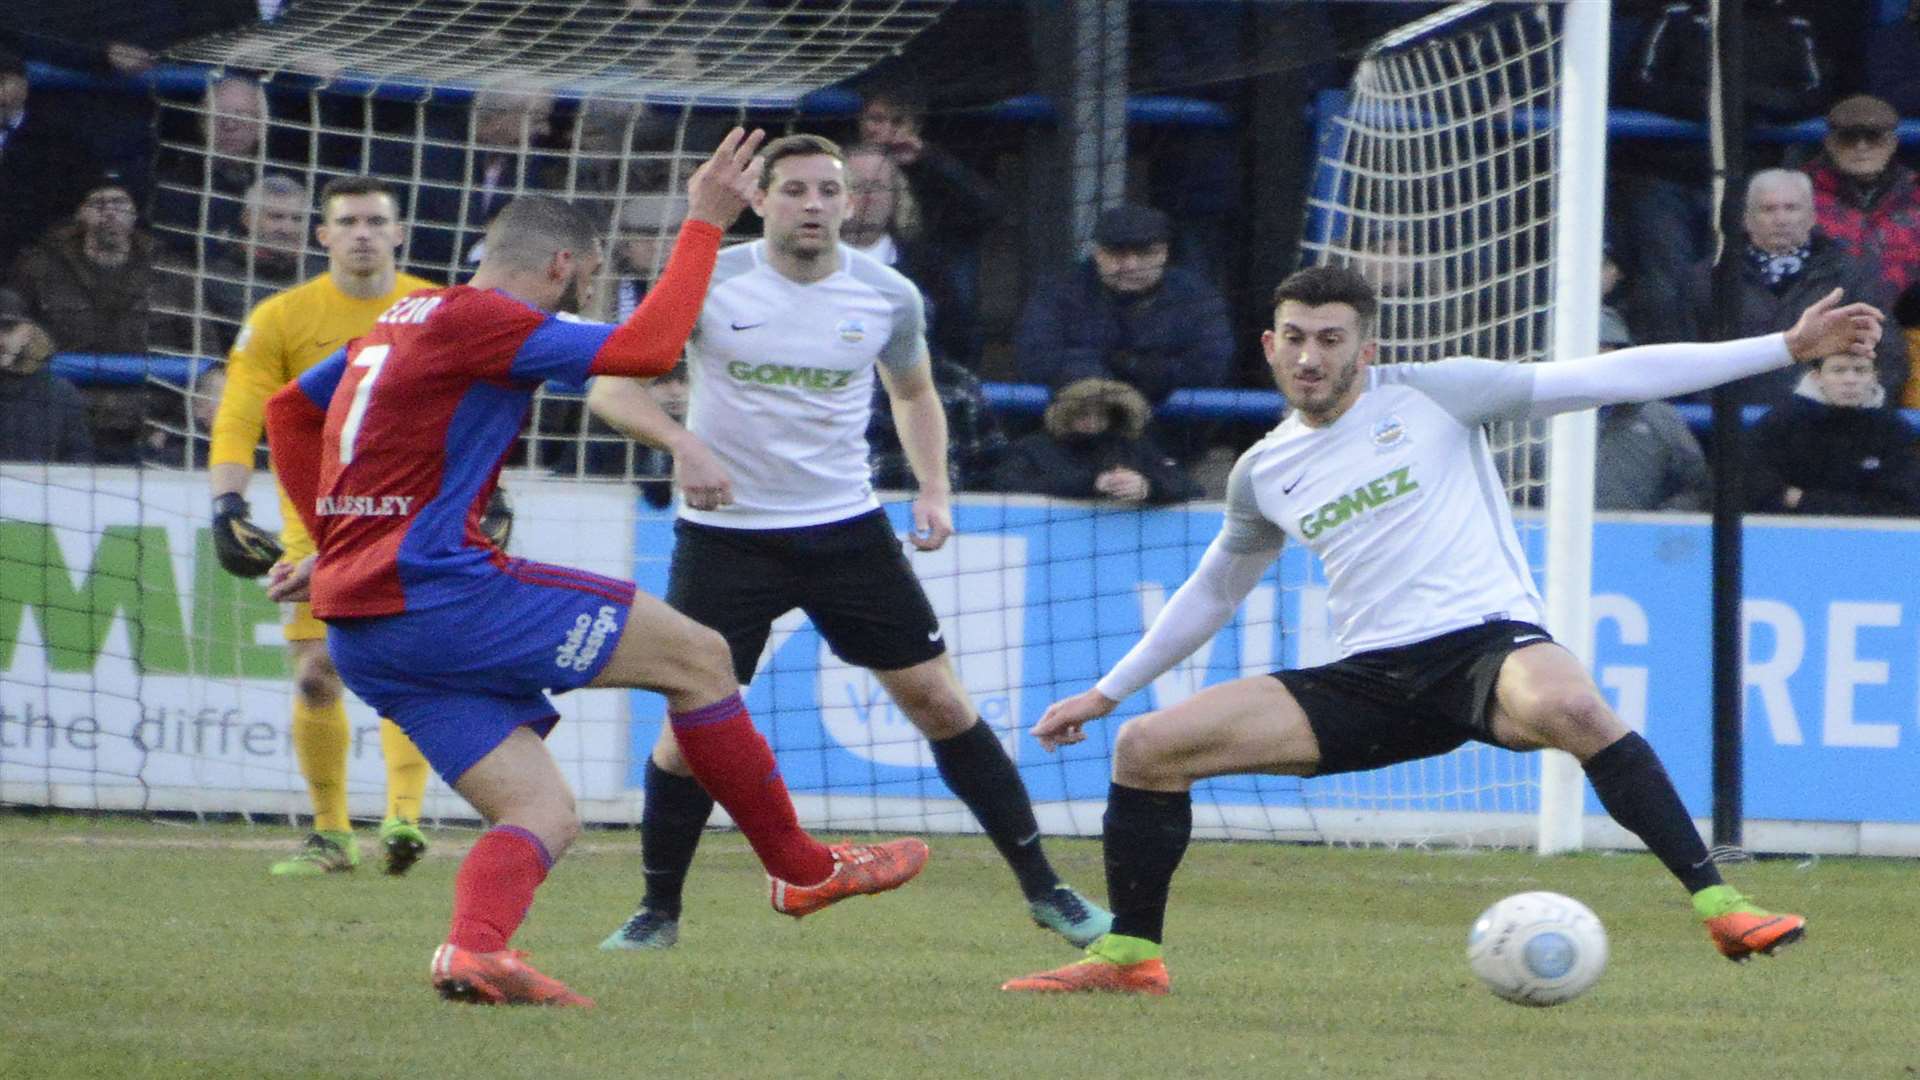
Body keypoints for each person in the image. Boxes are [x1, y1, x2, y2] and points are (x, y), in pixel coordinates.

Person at [999, 265, 1863, 996]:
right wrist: (1109, 692)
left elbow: (1610, 377)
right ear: (1269, 345)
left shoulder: (1434, 393)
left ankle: (1721, 907)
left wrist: (1781, 349)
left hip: (1488, 646)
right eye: (1294, 336)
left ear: (1364, 348)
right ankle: (1132, 955)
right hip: (1373, 678)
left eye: (1331, 338)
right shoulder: (1264, 470)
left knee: (1570, 704)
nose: (1310, 355)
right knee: (1147, 747)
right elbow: (1214, 588)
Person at [262, 130, 928, 1007]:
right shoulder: (493, 320)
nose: (576, 296)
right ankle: (801, 869)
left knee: (542, 814)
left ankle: (473, 951)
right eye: (580, 282)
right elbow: (650, 351)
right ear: (564, 266)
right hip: (444, 598)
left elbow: (286, 412)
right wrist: (701, 224)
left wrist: (328, 543)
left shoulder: (400, 319)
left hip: (365, 632)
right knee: (699, 658)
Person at [585, 133, 1109, 953]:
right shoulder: (710, 278)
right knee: (688, 736)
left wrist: (934, 485)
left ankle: (1049, 889)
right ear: (760, 201)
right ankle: (658, 911)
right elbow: (613, 388)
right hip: (728, 540)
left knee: (941, 703)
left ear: (851, 201)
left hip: (845, 533)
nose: (816, 205)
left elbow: (915, 391)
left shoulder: (887, 295)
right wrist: (685, 446)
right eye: (794, 190)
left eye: (830, 190)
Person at [207, 175, 444, 877]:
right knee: (316, 675)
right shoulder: (283, 317)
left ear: (399, 233)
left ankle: (404, 818)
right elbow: (241, 412)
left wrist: (489, 495)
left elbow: (474, 402)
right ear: (324, 236)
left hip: (414, 512)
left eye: (376, 221)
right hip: (316, 519)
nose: (363, 233)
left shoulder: (434, 307)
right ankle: (331, 835)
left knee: (406, 665)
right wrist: (227, 503)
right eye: (348, 221)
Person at [1682, 169, 1905, 405]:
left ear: (1811, 216)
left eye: (1791, 208)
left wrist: (1856, 408)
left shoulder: (1851, 275)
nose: (1781, 219)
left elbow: (1888, 354)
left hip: (1824, 424)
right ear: (1746, 219)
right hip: (1730, 424)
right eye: (1768, 209)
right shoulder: (1707, 278)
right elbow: (1684, 355)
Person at [9, 169, 187, 463]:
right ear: (79, 213)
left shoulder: (172, 273)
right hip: (59, 418)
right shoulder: (37, 268)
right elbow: (13, 338)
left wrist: (174, 427)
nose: (109, 213)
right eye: (98, 203)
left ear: (135, 214)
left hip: (151, 427)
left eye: (119, 204)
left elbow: (205, 357)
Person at [1015, 204, 1235, 408]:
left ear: (1164, 253)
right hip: (1075, 434)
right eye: (1117, 253)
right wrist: (1128, 377)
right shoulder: (1058, 292)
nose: (1131, 265)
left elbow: (1209, 368)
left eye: (1144, 253)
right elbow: (1037, 361)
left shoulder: (1196, 296)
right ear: (1098, 253)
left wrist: (1126, 365)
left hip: (1170, 437)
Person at [857, 85, 1002, 367]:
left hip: (923, 265)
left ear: (916, 126)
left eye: (897, 121)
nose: (885, 131)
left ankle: (957, 374)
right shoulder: (840, 161)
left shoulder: (931, 163)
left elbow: (988, 210)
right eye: (876, 119)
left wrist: (929, 161)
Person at [1746, 351, 1920, 517]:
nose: (1850, 380)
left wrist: (1802, 500)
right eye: (1838, 370)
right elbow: (1754, 492)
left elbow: (1903, 505)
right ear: (1817, 377)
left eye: (1860, 371)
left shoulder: (1894, 430)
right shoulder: (1781, 423)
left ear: (1874, 377)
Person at [989, 377, 1198, 505]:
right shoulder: (1033, 448)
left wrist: (1148, 486)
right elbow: (1006, 484)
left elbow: (1188, 486)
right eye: (1082, 414)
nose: (1091, 422)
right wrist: (1091, 483)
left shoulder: (1132, 447)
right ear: (1065, 414)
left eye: (1100, 415)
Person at [1804, 95, 1920, 302]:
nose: (1861, 147)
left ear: (1893, 143)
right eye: (1848, 138)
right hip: (1820, 322)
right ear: (1829, 143)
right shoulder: (1796, 195)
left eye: (1873, 137)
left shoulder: (1916, 194)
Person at [0, 286, 92, 463]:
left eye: (8, 328)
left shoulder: (60, 395)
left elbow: (79, 464)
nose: (0, 339)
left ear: (27, 333)